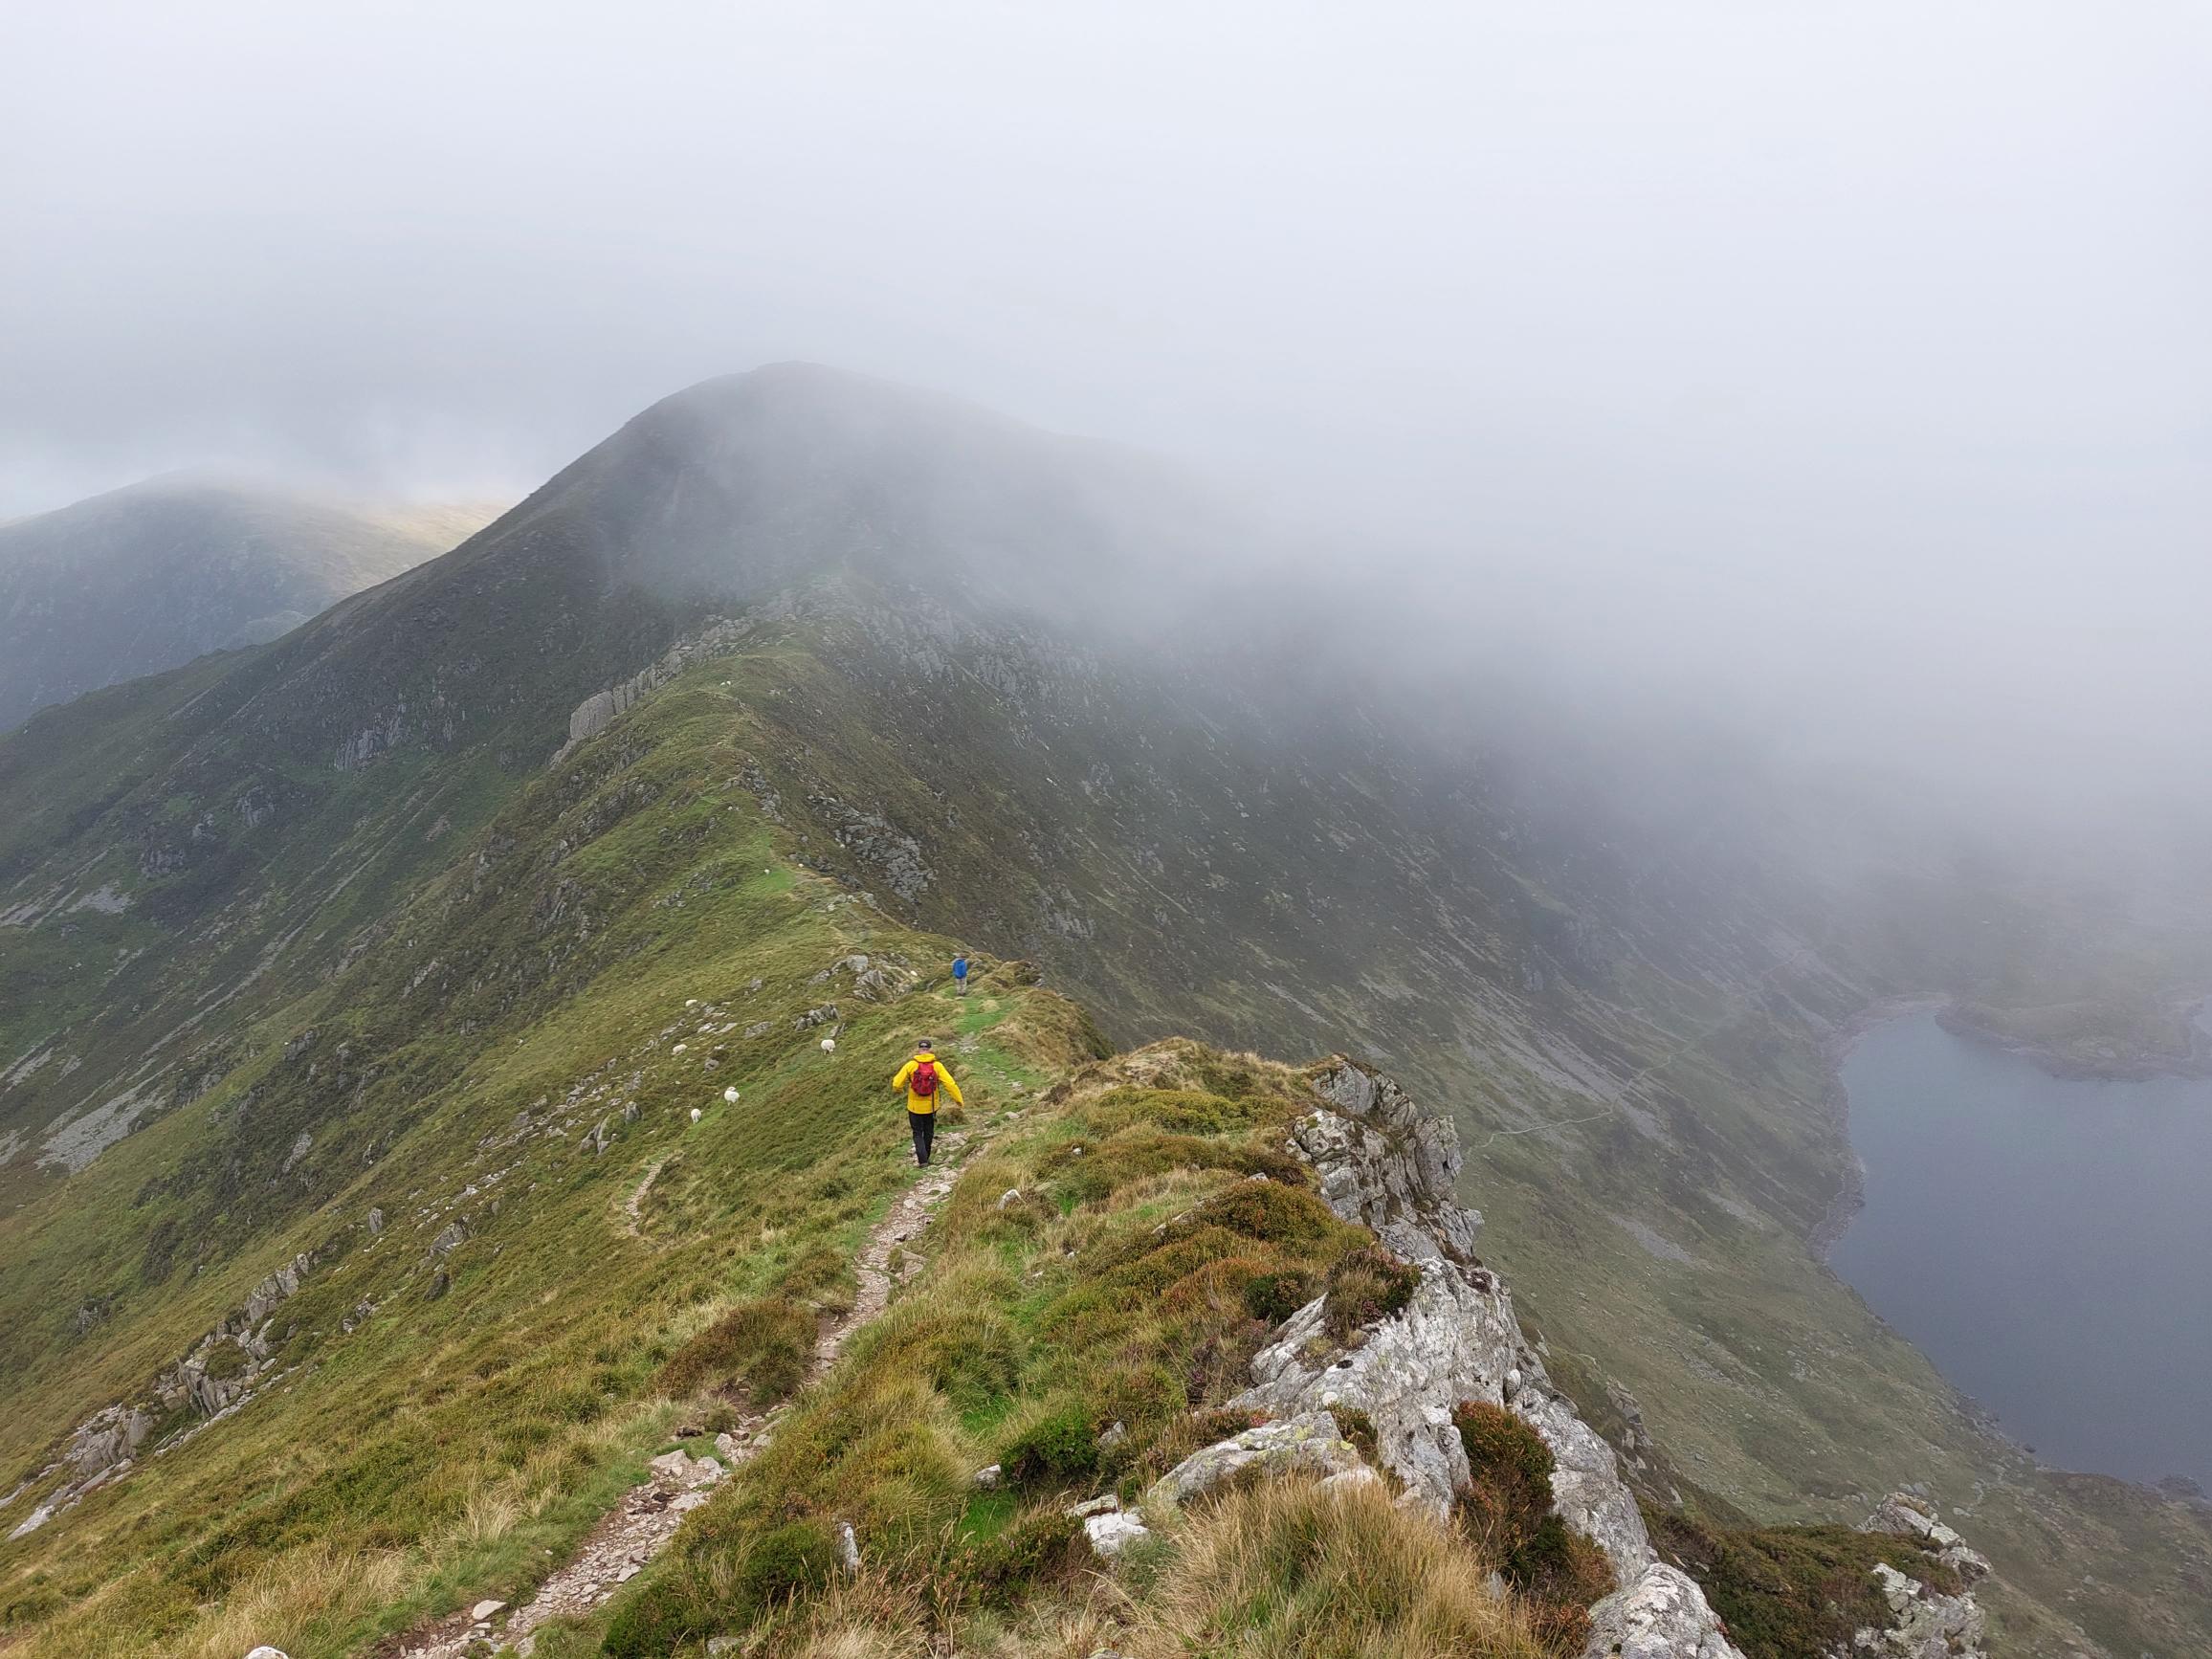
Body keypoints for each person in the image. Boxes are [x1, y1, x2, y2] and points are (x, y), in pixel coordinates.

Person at [891, 1039, 963, 1167]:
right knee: (928, 1132)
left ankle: (923, 1161)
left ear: (919, 1049)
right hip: (931, 1107)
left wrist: (899, 1090)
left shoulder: (910, 1065)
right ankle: (927, 1158)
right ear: (930, 1049)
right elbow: (950, 1084)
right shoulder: (937, 1066)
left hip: (914, 1107)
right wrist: (958, 1100)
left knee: (917, 1133)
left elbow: (896, 1083)